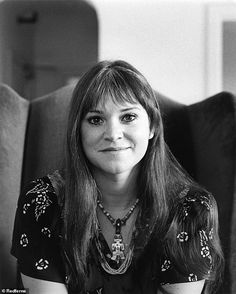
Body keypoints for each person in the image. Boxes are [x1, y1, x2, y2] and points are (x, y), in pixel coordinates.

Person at [11, 60, 224, 294]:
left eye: (128, 117)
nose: (113, 134)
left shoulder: (190, 209)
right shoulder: (41, 202)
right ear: (77, 132)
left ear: (152, 126)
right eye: (95, 120)